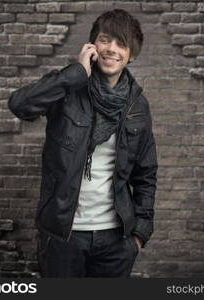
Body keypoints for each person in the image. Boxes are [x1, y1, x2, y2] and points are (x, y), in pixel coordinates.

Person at [8, 9, 158, 277]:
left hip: (116, 239)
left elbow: (146, 173)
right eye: (105, 40)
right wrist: (75, 73)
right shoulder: (67, 89)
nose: (111, 49)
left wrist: (139, 235)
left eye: (121, 43)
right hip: (63, 236)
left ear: (131, 54)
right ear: (92, 46)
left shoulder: (137, 105)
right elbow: (20, 105)